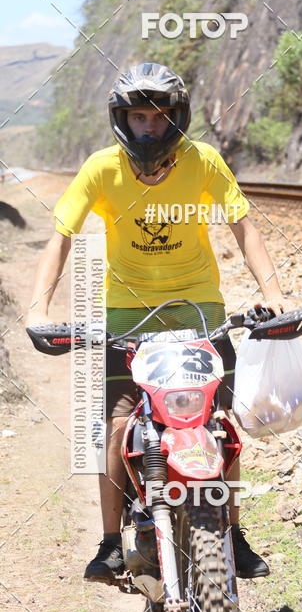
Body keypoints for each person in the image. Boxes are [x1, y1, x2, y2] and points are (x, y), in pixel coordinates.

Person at [26, 62, 286, 583]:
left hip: (200, 315)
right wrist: (39, 307)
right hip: (127, 318)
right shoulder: (101, 168)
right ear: (122, 119)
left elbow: (244, 227)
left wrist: (273, 294)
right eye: (138, 117)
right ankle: (108, 544)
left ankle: (231, 534)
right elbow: (61, 238)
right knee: (121, 424)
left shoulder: (204, 162)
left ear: (177, 119)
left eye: (159, 117)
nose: (149, 127)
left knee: (219, 426)